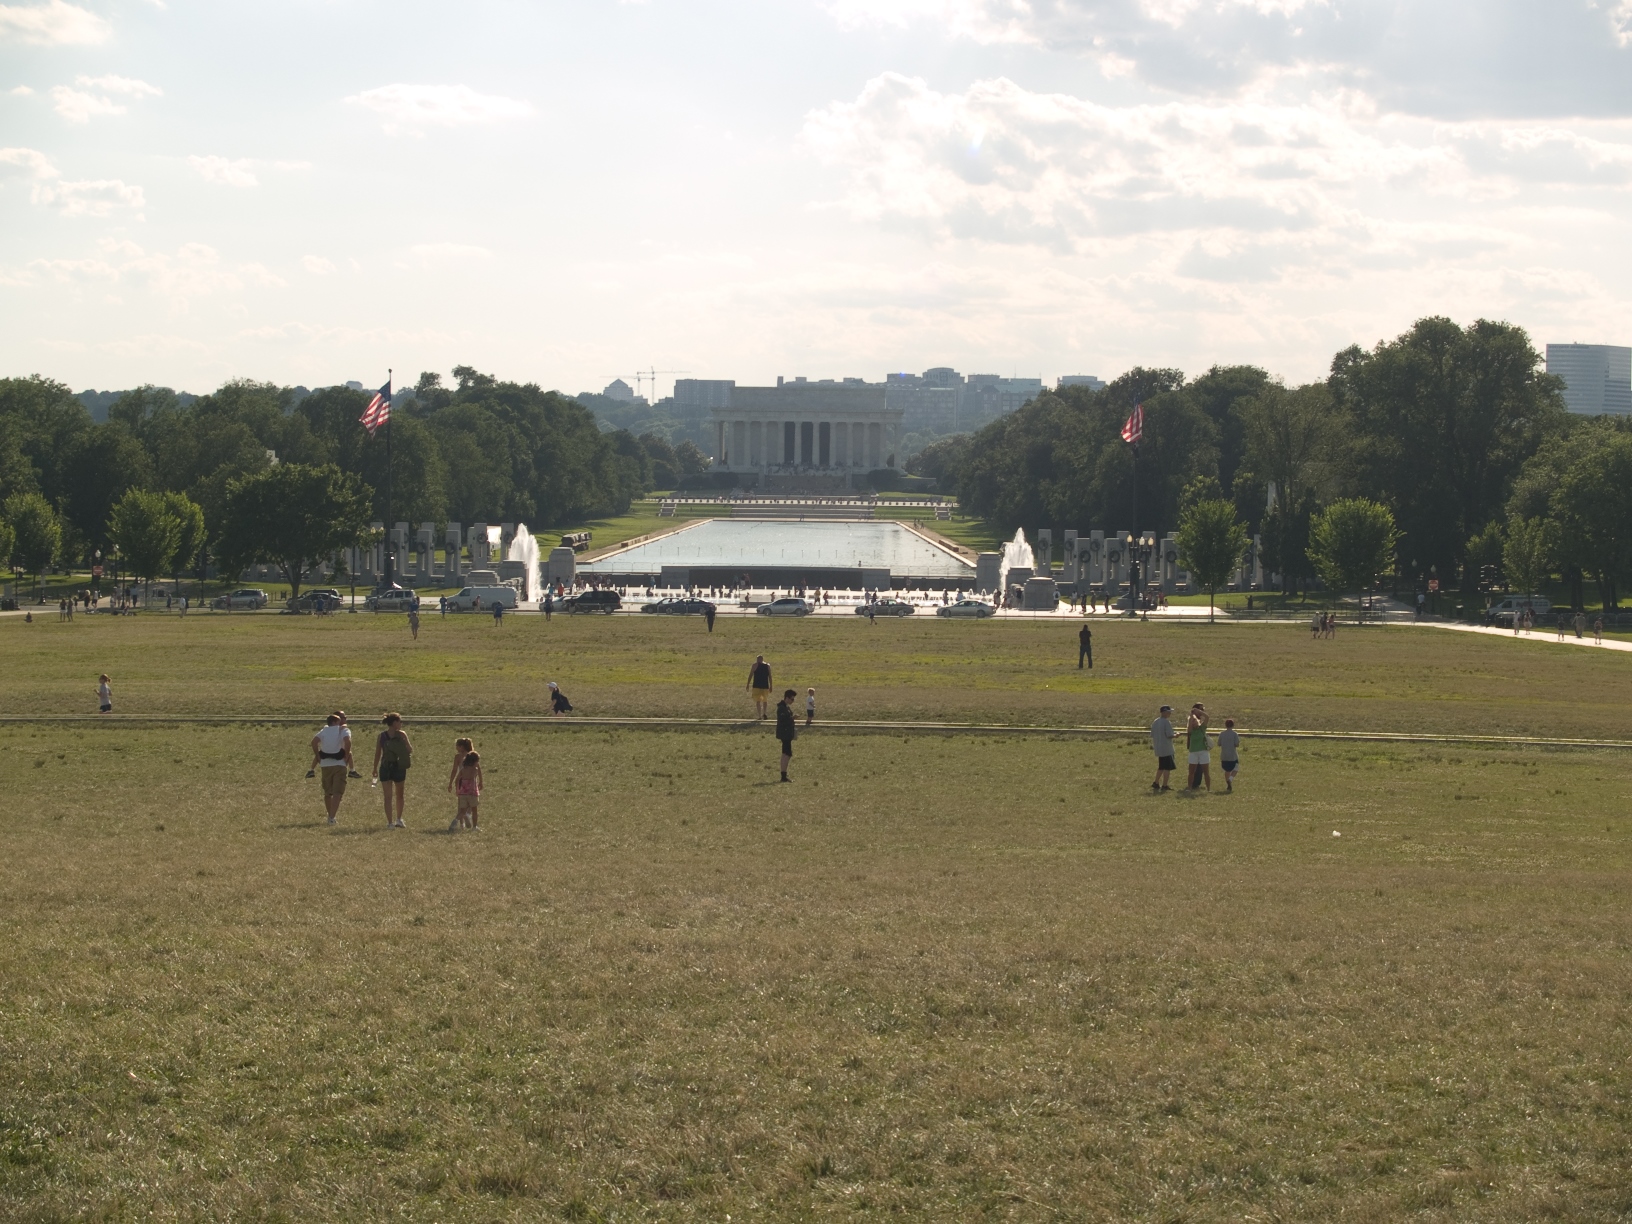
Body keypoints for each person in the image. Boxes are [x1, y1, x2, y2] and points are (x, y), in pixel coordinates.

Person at [308, 711, 354, 824]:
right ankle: (332, 817)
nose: (345, 720)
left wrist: (318, 756)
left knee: (328, 793)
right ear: (336, 720)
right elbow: (348, 742)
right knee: (338, 792)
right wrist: (346, 755)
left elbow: (314, 742)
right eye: (343, 718)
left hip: (325, 765)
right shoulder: (343, 730)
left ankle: (331, 816)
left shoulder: (324, 730)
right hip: (339, 764)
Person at [372, 713, 412, 828]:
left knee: (392, 796)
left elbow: (378, 754)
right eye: (400, 721)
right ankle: (395, 820)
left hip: (389, 766)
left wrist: (375, 768)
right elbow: (409, 750)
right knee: (395, 795)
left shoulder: (385, 735)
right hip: (395, 766)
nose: (401, 724)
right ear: (394, 723)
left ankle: (393, 821)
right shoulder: (395, 735)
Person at [451, 750, 483, 832]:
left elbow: (457, 780)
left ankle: (454, 822)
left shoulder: (462, 769)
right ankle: (474, 827)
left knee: (462, 810)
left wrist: (458, 789)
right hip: (472, 792)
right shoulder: (474, 769)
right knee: (474, 810)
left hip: (463, 792)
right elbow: (475, 776)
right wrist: (480, 782)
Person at [1185, 703, 1211, 791]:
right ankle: (1189, 787)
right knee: (1191, 772)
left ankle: (1208, 788)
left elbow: (1207, 717)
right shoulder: (1191, 731)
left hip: (1203, 751)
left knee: (1206, 771)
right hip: (1193, 752)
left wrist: (1199, 711)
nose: (1194, 723)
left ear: (1198, 722)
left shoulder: (1202, 728)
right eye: (1192, 722)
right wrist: (1192, 715)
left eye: (1195, 721)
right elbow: (1189, 722)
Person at [1150, 705, 1175, 792]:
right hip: (1166, 749)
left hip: (1158, 748)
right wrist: (1177, 735)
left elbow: (1152, 734)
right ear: (1164, 712)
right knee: (1167, 768)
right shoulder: (1166, 722)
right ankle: (1165, 784)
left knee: (1161, 767)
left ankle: (1156, 782)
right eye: (1169, 712)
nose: (1170, 713)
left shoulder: (1155, 722)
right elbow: (1169, 735)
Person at [776, 688, 798, 782]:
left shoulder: (786, 707)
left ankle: (784, 774)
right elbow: (783, 720)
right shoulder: (781, 708)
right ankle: (783, 775)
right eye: (792, 699)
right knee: (786, 754)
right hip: (784, 734)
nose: (793, 701)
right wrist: (792, 718)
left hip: (787, 733)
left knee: (787, 753)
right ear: (787, 698)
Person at [1218, 718, 1241, 793]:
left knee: (1227, 770)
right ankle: (1230, 779)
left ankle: (1228, 782)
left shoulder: (1222, 734)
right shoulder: (1234, 734)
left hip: (1224, 756)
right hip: (1233, 755)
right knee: (1236, 768)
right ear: (1233, 725)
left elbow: (1219, 743)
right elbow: (1237, 744)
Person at [747, 655, 772, 720]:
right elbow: (770, 677)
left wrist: (771, 686)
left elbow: (770, 676)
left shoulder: (756, 665)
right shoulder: (766, 666)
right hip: (762, 686)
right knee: (762, 700)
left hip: (759, 686)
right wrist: (748, 684)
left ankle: (762, 715)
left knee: (761, 701)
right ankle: (762, 714)